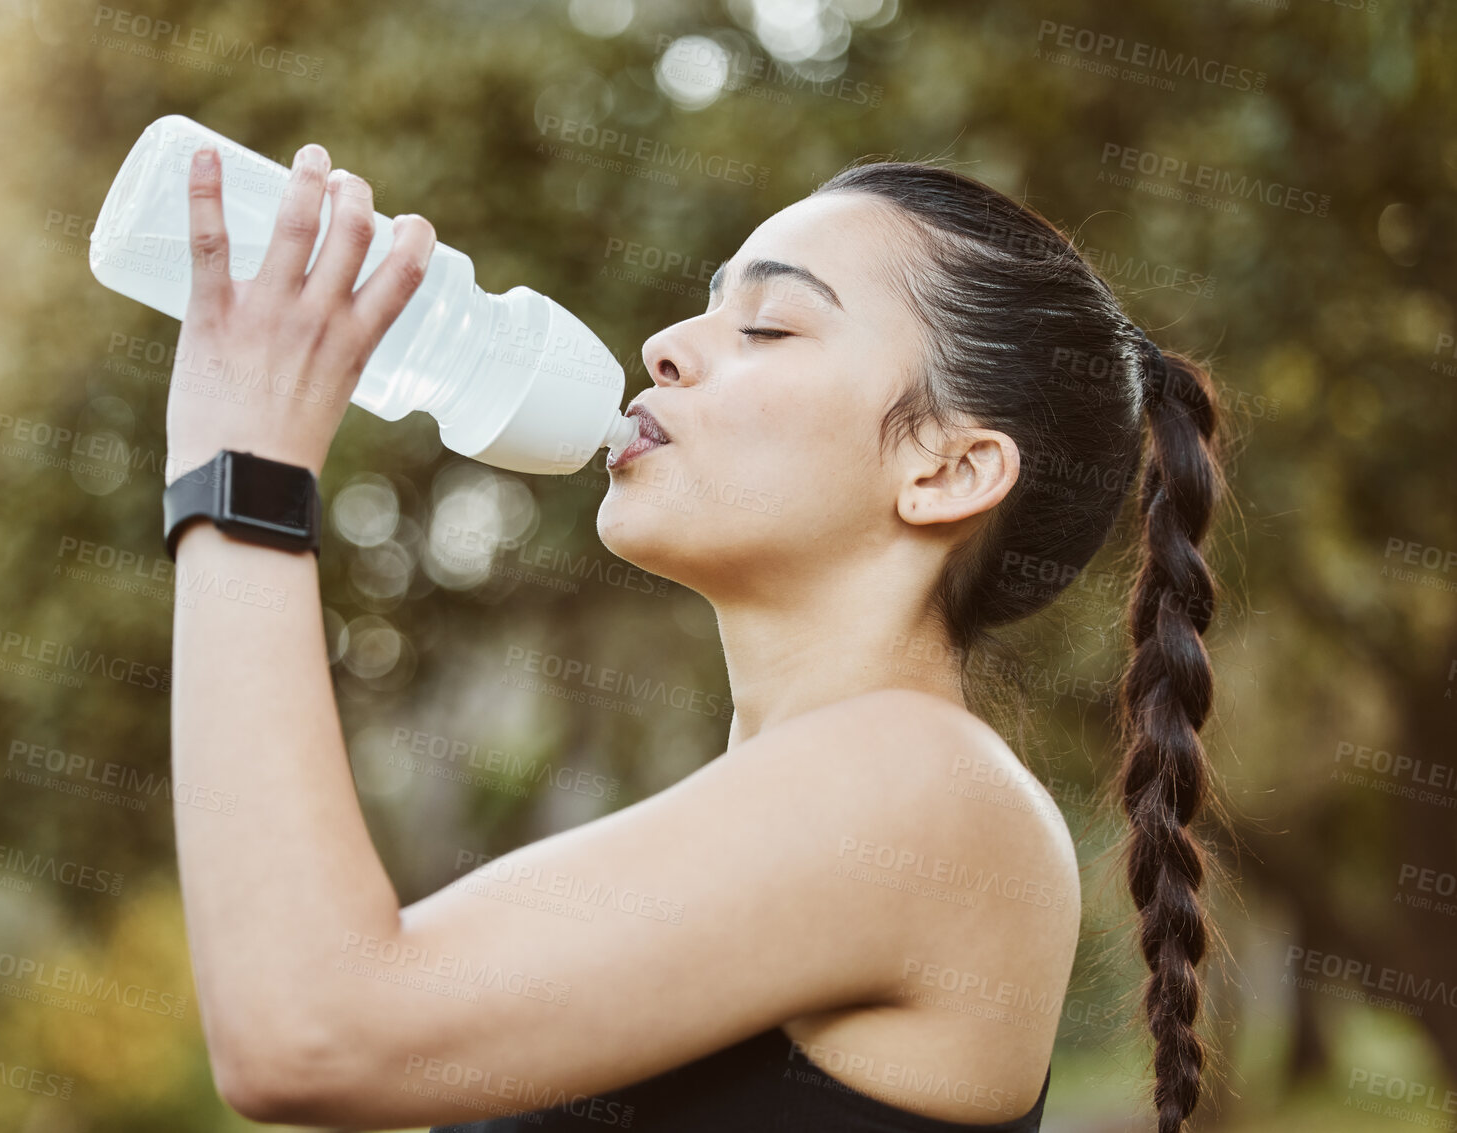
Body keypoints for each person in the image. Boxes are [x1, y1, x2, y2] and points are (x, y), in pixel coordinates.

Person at [162, 139, 1225, 1133]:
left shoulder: (924, 787)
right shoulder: (782, 810)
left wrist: (242, 470)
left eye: (768, 326)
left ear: (948, 469)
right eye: (706, 306)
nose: (665, 346)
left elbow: (309, 1027)